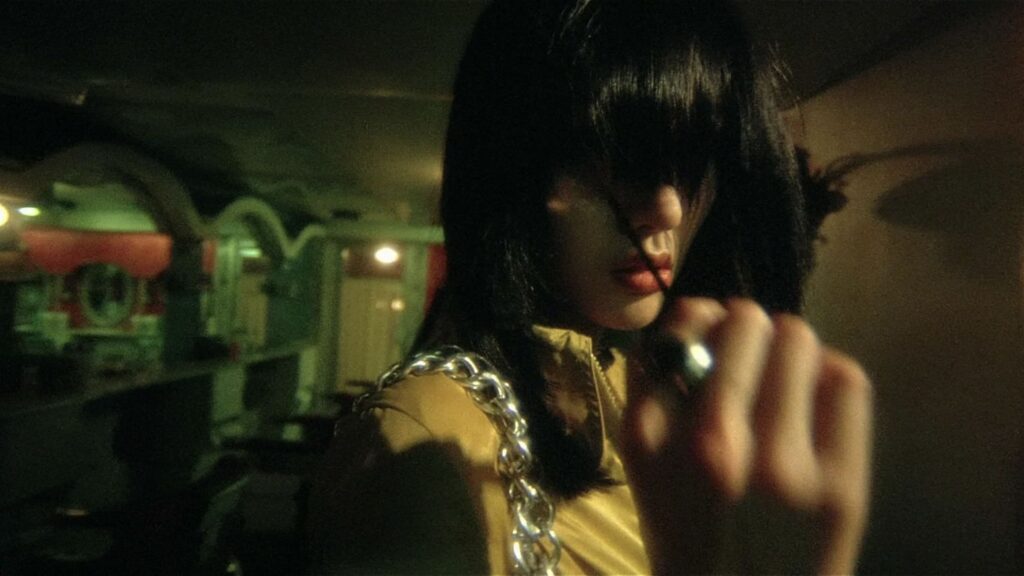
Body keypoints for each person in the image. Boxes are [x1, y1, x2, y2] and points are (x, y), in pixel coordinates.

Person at [308, 0, 872, 573]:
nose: (667, 210)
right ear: (514, 161)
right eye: (616, 154)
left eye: (692, 159)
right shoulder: (422, 444)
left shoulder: (651, 392)